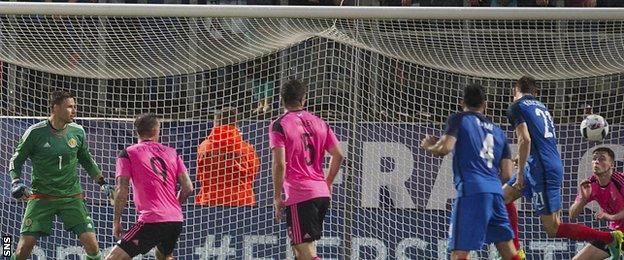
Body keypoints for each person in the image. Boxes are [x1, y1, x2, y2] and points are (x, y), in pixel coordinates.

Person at [503, 76, 623, 259]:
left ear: (515, 90)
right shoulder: (542, 108)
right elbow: (542, 141)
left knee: (553, 229)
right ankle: (517, 253)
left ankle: (610, 238)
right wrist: (522, 158)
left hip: (541, 170)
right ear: (536, 93)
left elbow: (525, 139)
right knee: (500, 199)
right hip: (537, 164)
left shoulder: (516, 107)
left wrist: (519, 173)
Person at [8, 90, 113, 260]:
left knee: (92, 246)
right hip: (42, 196)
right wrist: (15, 181)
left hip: (71, 196)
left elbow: (87, 160)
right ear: (56, 108)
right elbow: (15, 160)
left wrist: (102, 182)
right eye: (69, 107)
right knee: (23, 250)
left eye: (74, 106)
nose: (74, 110)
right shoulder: (35, 132)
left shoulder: (78, 132)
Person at [421, 84, 520, 260]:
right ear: (485, 104)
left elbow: (444, 148)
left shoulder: (459, 119)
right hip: (496, 194)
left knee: (459, 253)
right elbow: (506, 174)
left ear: (461, 102)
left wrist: (429, 146)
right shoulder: (498, 132)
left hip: (472, 191)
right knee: (508, 250)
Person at [269, 79, 345, 260]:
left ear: (281, 99)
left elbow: (279, 164)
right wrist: (327, 182)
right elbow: (339, 155)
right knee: (299, 251)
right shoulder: (319, 122)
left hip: (300, 193)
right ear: (304, 99)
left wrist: (277, 196)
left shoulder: (279, 124)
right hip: (321, 193)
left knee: (305, 252)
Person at [106, 113, 193, 260]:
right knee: (163, 256)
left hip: (151, 220)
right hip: (175, 220)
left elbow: (121, 189)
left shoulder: (128, 153)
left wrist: (116, 221)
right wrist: (172, 207)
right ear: (156, 130)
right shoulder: (173, 152)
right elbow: (188, 188)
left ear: (137, 131)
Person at [195, 107, 260, 206]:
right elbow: (252, 175)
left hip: (210, 203)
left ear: (215, 124)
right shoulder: (247, 149)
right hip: (242, 203)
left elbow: (200, 175)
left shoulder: (204, 147)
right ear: (237, 125)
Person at [570, 147, 624, 260]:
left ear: (612, 165)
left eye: (602, 158)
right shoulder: (590, 184)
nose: (596, 161)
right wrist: (584, 199)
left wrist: (610, 217)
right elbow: (572, 215)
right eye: (594, 159)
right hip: (616, 235)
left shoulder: (620, 180)